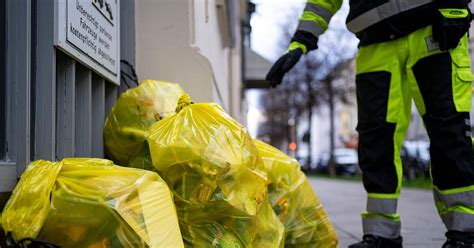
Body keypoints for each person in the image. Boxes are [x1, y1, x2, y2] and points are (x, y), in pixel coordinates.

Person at [266, 0, 474, 247]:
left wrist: (454, 4)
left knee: (449, 133)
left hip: (433, 29)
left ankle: (465, 232)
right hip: (374, 44)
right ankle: (382, 233)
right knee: (376, 141)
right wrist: (301, 40)